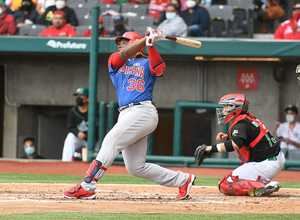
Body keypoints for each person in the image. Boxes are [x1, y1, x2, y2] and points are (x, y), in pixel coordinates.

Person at [64, 29, 196, 200]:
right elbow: (124, 54)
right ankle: (182, 180)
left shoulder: (147, 61)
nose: (120, 45)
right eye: (119, 43)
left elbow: (159, 70)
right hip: (126, 113)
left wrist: (150, 46)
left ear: (136, 43)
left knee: (111, 141)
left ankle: (87, 185)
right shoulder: (116, 62)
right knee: (135, 167)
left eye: (125, 41)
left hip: (142, 111)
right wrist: (144, 41)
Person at [194, 93, 285, 197]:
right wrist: (228, 137)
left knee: (225, 183)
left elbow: (235, 145)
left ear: (235, 108)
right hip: (272, 159)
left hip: (266, 162)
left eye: (226, 106)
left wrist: (210, 149)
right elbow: (247, 137)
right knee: (236, 179)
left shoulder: (241, 124)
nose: (223, 110)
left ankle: (262, 186)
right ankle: (261, 185)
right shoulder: (246, 119)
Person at [62, 87, 89, 162]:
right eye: (77, 96)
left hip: (92, 139)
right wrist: (77, 133)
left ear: (87, 98)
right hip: (79, 137)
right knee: (70, 137)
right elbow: (70, 127)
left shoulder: (95, 110)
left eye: (80, 96)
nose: (78, 98)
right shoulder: (73, 111)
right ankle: (66, 162)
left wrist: (87, 134)